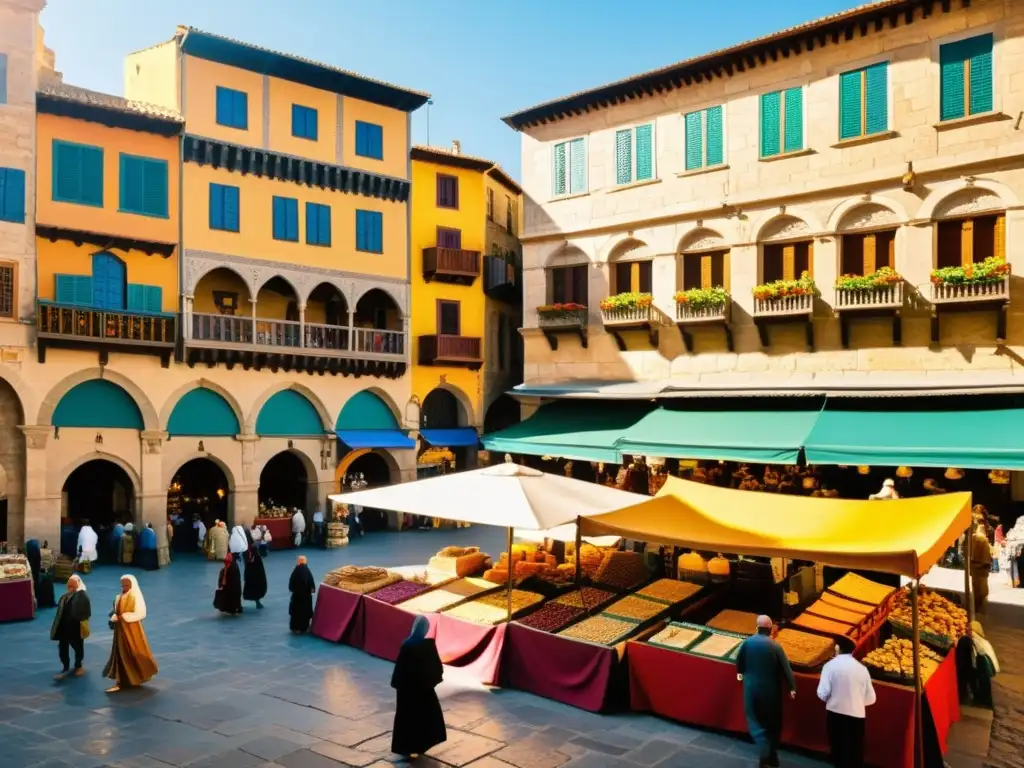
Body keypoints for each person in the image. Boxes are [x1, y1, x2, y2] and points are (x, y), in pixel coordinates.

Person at [736, 615, 796, 768]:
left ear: (757, 628)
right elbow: (786, 668)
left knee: (754, 719)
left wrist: (740, 672)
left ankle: (766, 754)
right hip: (771, 691)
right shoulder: (775, 646)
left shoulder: (747, 643)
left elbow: (740, 660)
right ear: (771, 630)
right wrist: (792, 687)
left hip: (751, 688)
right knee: (772, 723)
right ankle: (769, 754)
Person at [391, 615, 446, 758]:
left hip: (407, 692)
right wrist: (429, 683)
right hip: (424, 691)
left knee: (407, 720)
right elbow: (436, 669)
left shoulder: (407, 645)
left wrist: (399, 686)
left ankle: (406, 748)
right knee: (424, 719)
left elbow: (400, 670)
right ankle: (422, 745)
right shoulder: (428, 646)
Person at [817, 636, 875, 768]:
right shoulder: (862, 669)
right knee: (855, 752)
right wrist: (856, 702)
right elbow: (871, 698)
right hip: (857, 716)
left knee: (838, 750)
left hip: (835, 713)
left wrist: (833, 699)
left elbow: (822, 693)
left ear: (837, 648)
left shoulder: (829, 666)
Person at [103, 575, 158, 693]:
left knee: (135, 651)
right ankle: (121, 681)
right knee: (121, 654)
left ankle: (138, 675)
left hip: (133, 630)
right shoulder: (118, 597)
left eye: (126, 585)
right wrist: (114, 616)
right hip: (120, 631)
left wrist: (125, 616)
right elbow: (114, 610)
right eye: (122, 585)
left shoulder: (135, 597)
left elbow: (141, 613)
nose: (124, 587)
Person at [51, 574, 92, 679]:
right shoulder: (65, 597)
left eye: (72, 586)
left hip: (75, 628)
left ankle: (78, 666)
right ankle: (65, 666)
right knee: (62, 647)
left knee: (77, 647)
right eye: (68, 586)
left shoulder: (82, 596)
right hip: (64, 627)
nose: (69, 588)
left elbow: (85, 613)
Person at [288, 555, 316, 633]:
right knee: (305, 611)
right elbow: (311, 584)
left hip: (297, 596)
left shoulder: (295, 571)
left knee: (296, 612)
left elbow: (291, 584)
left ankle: (295, 628)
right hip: (306, 596)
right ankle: (304, 628)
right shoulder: (307, 571)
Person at [970, 522, 993, 616]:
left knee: (975, 588)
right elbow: (987, 555)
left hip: (974, 566)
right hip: (982, 567)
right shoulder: (984, 540)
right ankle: (979, 609)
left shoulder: (972, 537)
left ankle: (975, 607)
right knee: (982, 591)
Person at [242, 530, 267, 609]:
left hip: (251, 569)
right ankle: (257, 601)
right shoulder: (251, 547)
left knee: (250, 584)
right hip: (254, 570)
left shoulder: (247, 547)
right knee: (253, 585)